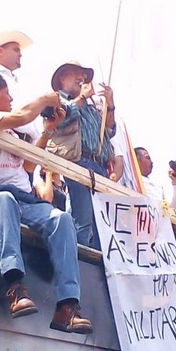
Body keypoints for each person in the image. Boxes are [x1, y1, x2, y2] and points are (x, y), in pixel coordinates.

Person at [0, 73, 92, 334]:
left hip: (25, 198)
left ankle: (67, 305)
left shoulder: (12, 129)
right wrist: (45, 99)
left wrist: (48, 130)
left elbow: (28, 166)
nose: (10, 98)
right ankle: (15, 287)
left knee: (61, 219)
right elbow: (21, 116)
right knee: (5, 200)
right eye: (6, 93)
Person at [48, 61, 116, 249]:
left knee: (102, 224)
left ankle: (97, 260)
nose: (82, 78)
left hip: (99, 166)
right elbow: (61, 119)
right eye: (76, 73)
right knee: (83, 220)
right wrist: (83, 97)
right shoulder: (56, 100)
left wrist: (110, 106)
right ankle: (81, 259)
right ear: (62, 78)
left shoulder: (92, 107)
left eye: (83, 75)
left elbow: (109, 131)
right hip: (78, 162)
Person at [0, 30, 39, 140]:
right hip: (9, 138)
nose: (20, 54)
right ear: (0, 51)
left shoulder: (12, 79)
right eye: (16, 50)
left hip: (24, 140)